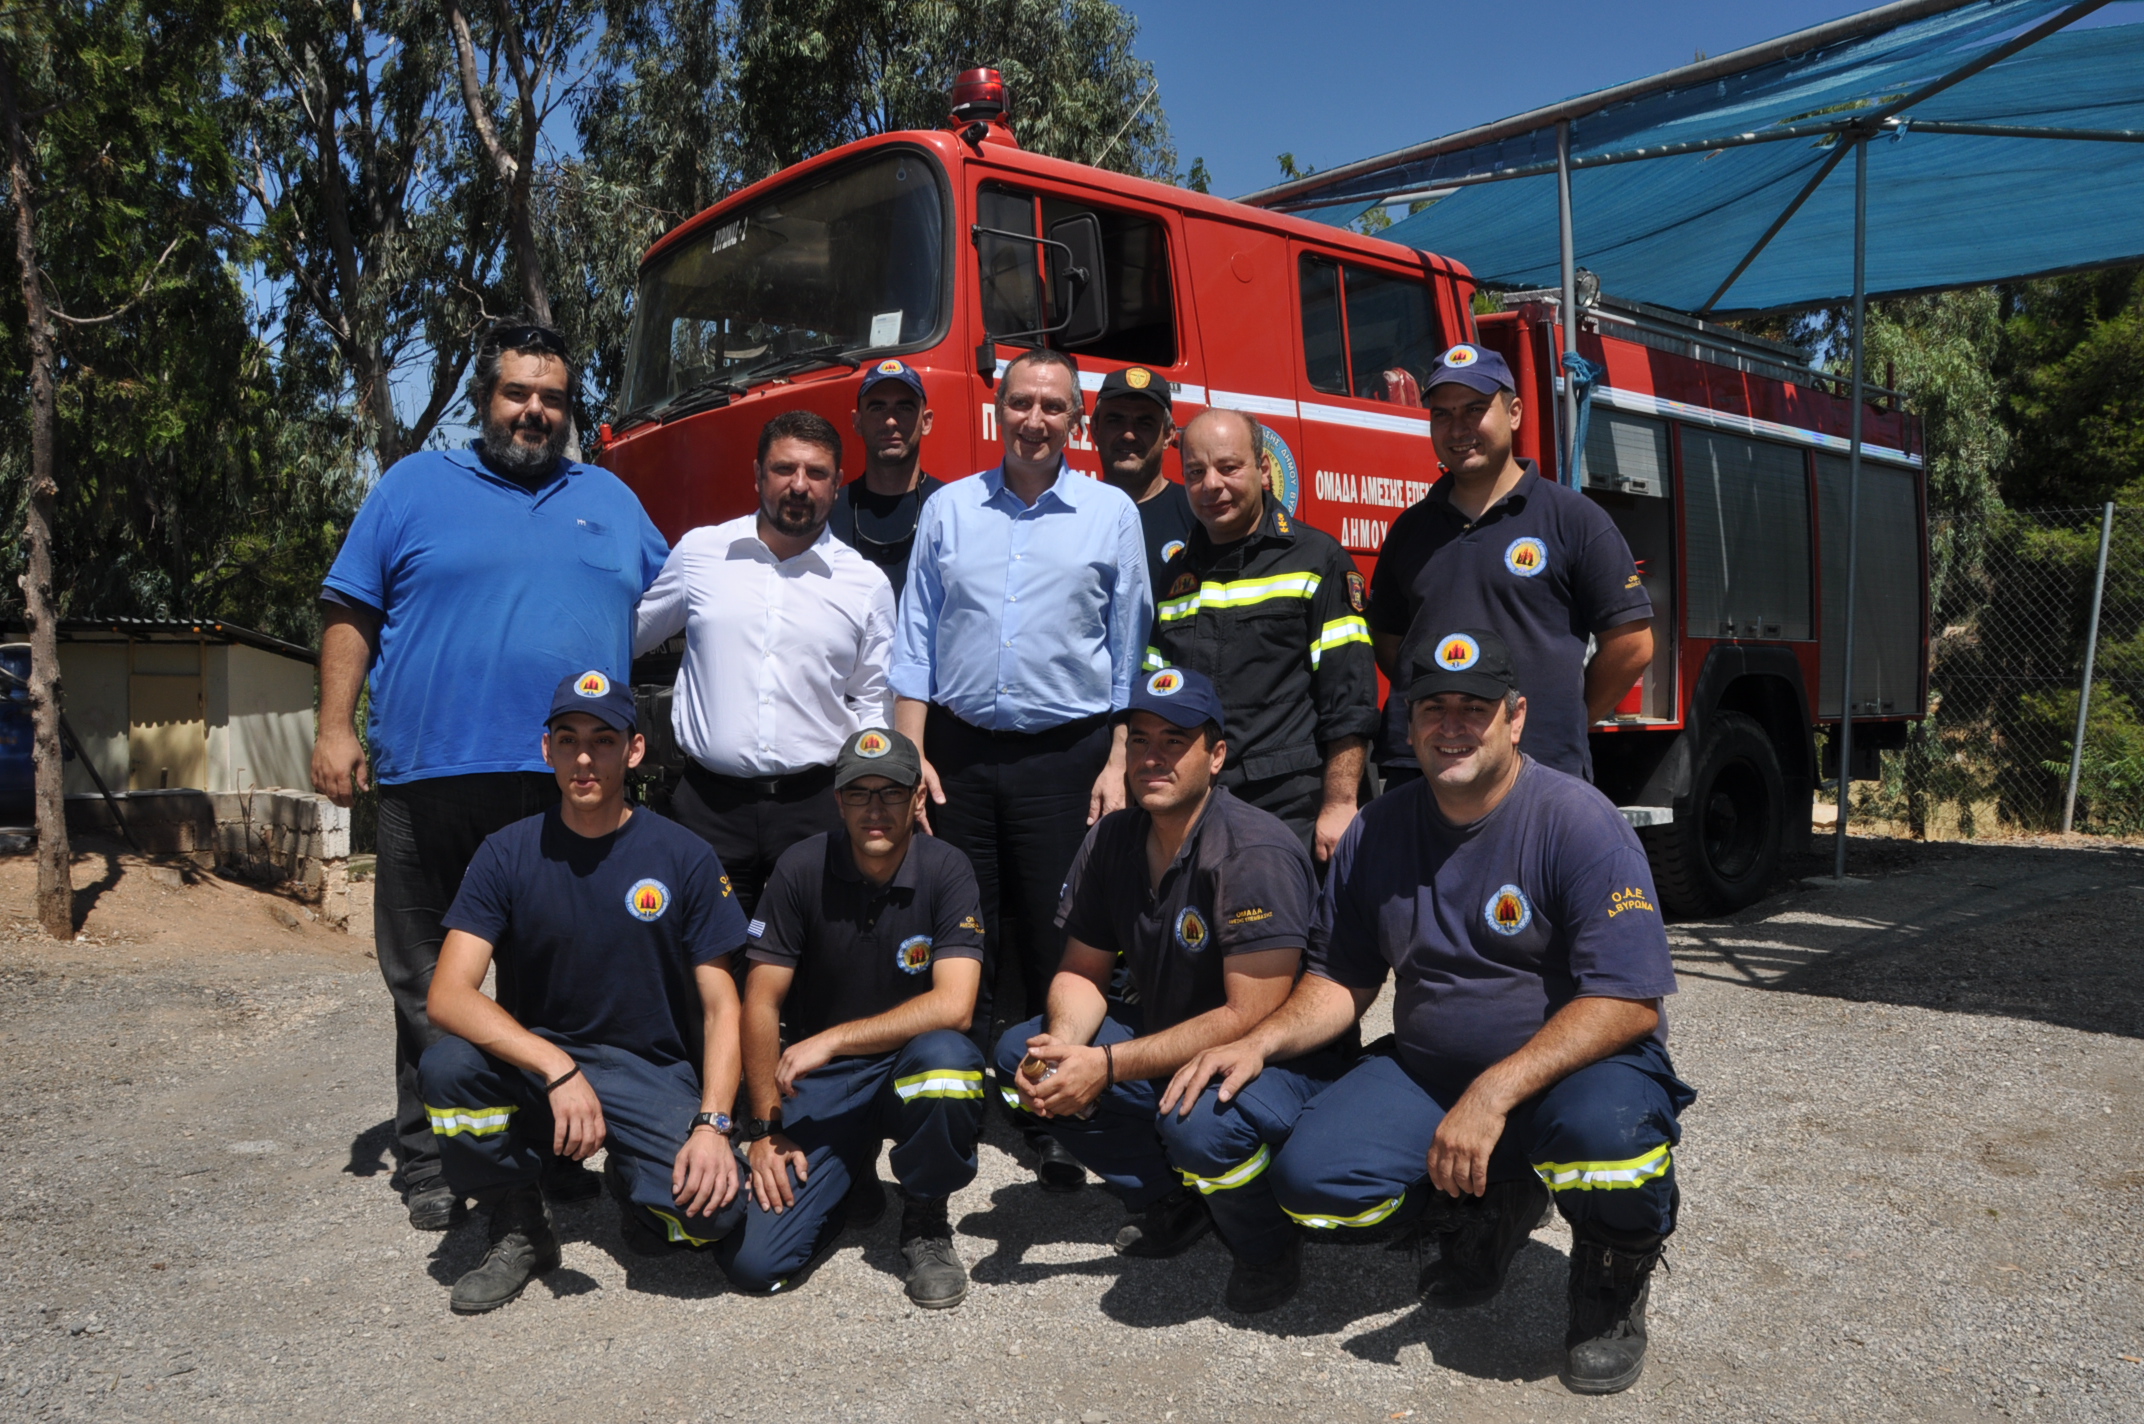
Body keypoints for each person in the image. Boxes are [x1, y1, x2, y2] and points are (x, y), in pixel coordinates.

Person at [1166, 628, 1694, 1395]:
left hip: (1576, 1072)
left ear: (1514, 717)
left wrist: (1494, 1091)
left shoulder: (1579, 821)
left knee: (1607, 1141)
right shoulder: (1377, 829)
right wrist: (1262, 1041)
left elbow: (1628, 1002)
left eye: (1473, 708)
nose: (1452, 725)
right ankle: (1491, 1204)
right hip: (1431, 1070)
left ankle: (1611, 1281)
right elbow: (1341, 981)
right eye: (1432, 708)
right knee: (1315, 1182)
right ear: (1408, 725)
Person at [314, 321, 668, 1229]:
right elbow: (351, 607)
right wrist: (333, 726)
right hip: (433, 773)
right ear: (485, 401)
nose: (535, 411)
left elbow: (687, 604)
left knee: (557, 978)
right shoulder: (412, 487)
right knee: (429, 972)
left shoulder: (613, 502)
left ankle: (548, 1141)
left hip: (567, 786)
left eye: (551, 398)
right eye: (518, 393)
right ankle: (436, 1153)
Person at [889, 347, 1151, 1190]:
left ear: (1077, 420)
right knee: (965, 930)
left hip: (1065, 756)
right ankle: (955, 1103)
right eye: (1022, 403)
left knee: (1054, 933)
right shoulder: (949, 511)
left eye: (1054, 406)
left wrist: (1118, 758)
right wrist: (912, 754)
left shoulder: (1110, 513)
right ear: (996, 410)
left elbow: (1129, 649)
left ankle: (1048, 1113)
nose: (1036, 419)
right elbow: (915, 642)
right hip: (958, 754)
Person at [995, 667, 1330, 1314]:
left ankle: (1265, 1243)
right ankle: (1172, 1197)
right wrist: (1063, 1053)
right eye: (1141, 738)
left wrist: (1106, 1066)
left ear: (1217, 755)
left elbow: (1251, 1014)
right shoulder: (1113, 837)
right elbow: (1081, 972)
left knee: (1197, 1124)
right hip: (1175, 1038)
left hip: (1279, 1061)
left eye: (1176, 740)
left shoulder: (1252, 848)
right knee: (1021, 1054)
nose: (1153, 756)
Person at [419, 672, 749, 1313]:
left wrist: (712, 1125)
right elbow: (449, 995)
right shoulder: (506, 854)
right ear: (547, 750)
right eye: (567, 740)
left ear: (634, 750)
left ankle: (633, 1182)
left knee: (715, 1217)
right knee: (449, 1066)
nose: (584, 758)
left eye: (603, 740)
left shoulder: (684, 855)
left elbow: (723, 1005)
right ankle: (518, 1224)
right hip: (542, 1064)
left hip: (649, 1070)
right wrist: (555, 1065)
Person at [717, 728, 987, 1308]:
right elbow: (759, 1001)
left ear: (918, 798)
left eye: (890, 792)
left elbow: (955, 1006)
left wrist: (835, 1038)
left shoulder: (948, 868)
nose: (874, 809)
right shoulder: (798, 867)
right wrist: (765, 1131)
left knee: (949, 1063)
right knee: (754, 1264)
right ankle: (848, 1176)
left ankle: (925, 1217)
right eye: (858, 793)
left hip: (903, 1061)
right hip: (827, 1082)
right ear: (837, 801)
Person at [635, 409, 894, 919]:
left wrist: (873, 795)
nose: (799, 486)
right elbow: (626, 636)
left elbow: (873, 700)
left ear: (837, 484)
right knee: (705, 965)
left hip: (817, 809)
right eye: (783, 470)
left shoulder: (865, 585)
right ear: (757, 473)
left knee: (809, 967)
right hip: (707, 807)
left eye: (816, 473)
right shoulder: (701, 555)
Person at [1368, 343, 1653, 787]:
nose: (1457, 428)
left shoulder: (1573, 519)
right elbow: (1390, 642)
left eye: (1474, 409)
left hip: (1539, 769)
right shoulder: (1410, 529)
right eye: (1442, 414)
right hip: (1423, 768)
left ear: (1515, 412)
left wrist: (1563, 718)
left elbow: (1632, 644)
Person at [1147, 407, 1378, 860]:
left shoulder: (1316, 558)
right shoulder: (1178, 572)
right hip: (1195, 800)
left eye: (1228, 467)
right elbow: (1156, 690)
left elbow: (1349, 698)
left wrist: (1339, 803)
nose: (1211, 484)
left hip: (1288, 802)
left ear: (1264, 470)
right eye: (1195, 472)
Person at [831, 359, 946, 601]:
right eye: (877, 408)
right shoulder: (827, 513)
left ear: (926, 422)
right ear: (857, 422)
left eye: (904, 408)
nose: (891, 421)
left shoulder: (952, 509)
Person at [1091, 364, 1195, 588]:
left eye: (1144, 423)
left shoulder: (1197, 513)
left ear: (1168, 435)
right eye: (1115, 420)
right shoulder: (1077, 516)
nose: (1129, 434)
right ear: (1095, 430)